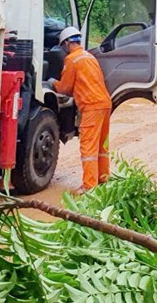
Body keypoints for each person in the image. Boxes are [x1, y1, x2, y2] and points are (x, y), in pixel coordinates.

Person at [50, 26, 112, 195]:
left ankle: (89, 185)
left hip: (91, 106)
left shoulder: (72, 60)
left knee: (89, 147)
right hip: (105, 104)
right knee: (102, 144)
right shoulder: (89, 57)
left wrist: (52, 82)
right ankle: (103, 178)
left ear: (67, 44)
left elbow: (65, 88)